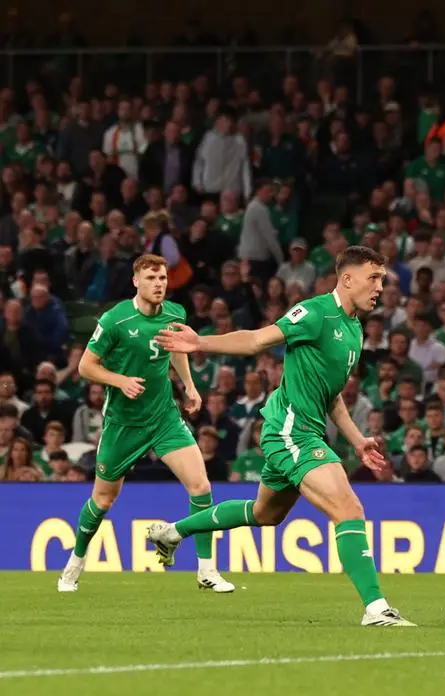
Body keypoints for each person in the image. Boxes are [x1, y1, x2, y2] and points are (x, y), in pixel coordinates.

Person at [148, 246, 414, 627]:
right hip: (291, 431)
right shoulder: (314, 313)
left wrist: (356, 439)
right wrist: (201, 342)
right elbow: (257, 340)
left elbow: (331, 394)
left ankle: (173, 532)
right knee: (349, 509)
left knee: (265, 514)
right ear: (347, 278)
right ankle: (376, 609)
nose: (380, 287)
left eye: (383, 279)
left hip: (303, 430)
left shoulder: (354, 329)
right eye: (374, 278)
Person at [58, 254, 234, 594]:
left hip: (163, 416)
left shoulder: (175, 314)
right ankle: (74, 564)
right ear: (136, 281)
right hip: (123, 422)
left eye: (163, 278)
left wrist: (190, 386)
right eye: (152, 278)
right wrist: (119, 380)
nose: (159, 284)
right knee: (103, 501)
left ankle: (206, 570)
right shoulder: (115, 321)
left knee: (201, 486)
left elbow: (177, 348)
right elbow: (85, 367)